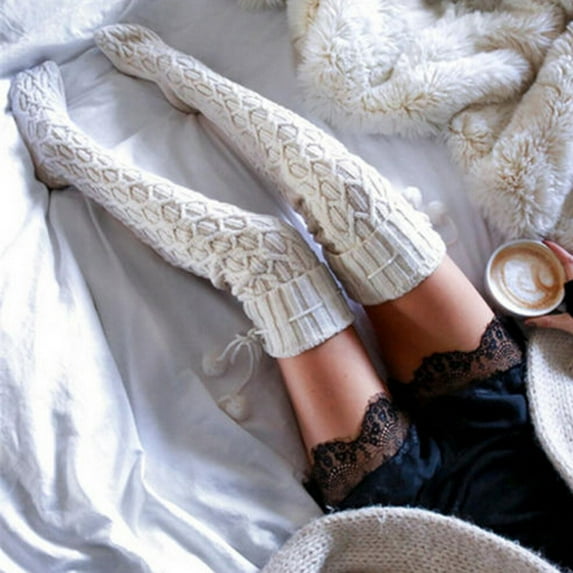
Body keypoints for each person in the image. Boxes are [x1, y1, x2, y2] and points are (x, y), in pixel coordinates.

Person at [9, 24, 573, 569]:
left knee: (272, 261)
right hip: (523, 423)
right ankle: (187, 80)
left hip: (417, 520)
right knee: (358, 208)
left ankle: (64, 153)